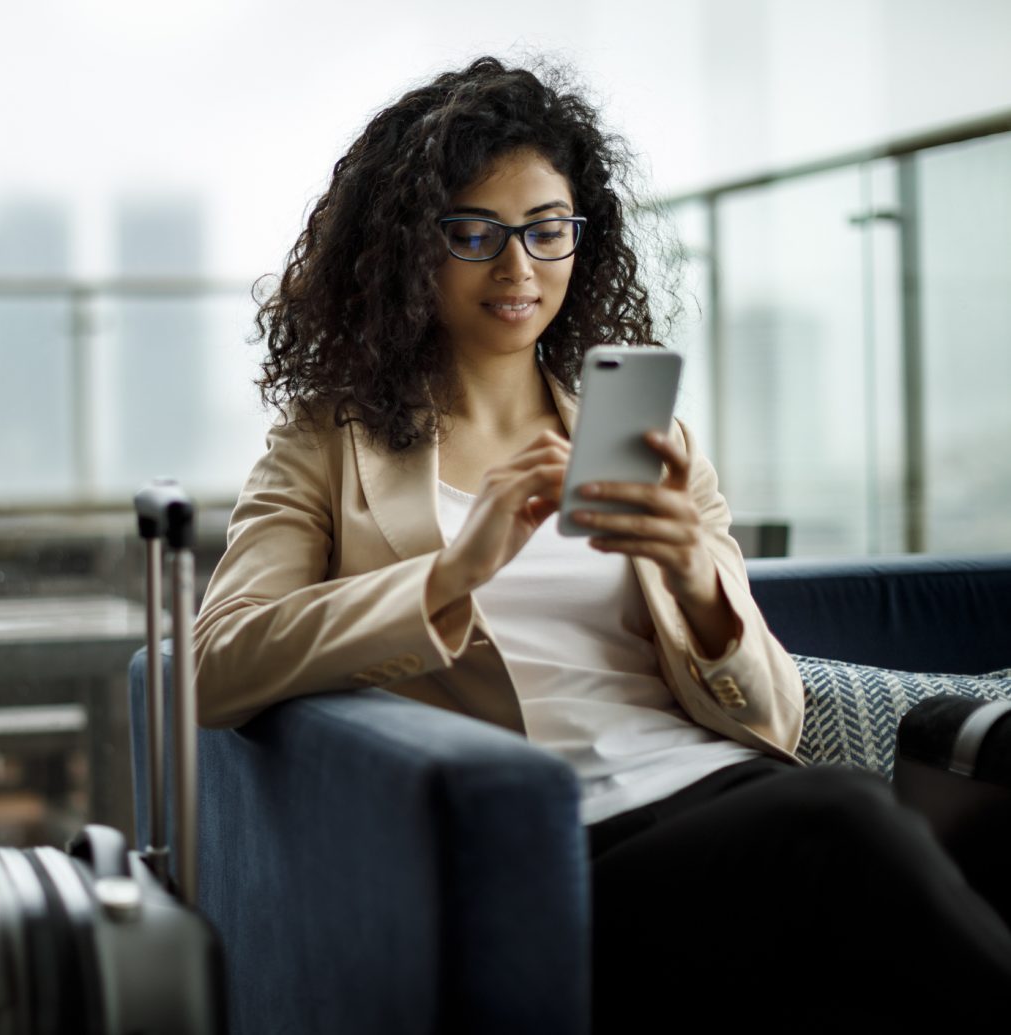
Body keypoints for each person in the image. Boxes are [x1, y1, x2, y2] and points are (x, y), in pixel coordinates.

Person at [192, 56, 1011, 1031]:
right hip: (566, 849)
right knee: (842, 822)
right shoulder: (330, 445)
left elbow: (779, 720)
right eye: (474, 233)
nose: (518, 269)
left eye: (547, 231)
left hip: (733, 793)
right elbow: (216, 664)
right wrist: (454, 572)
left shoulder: (643, 438)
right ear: (409, 248)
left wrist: (700, 585)